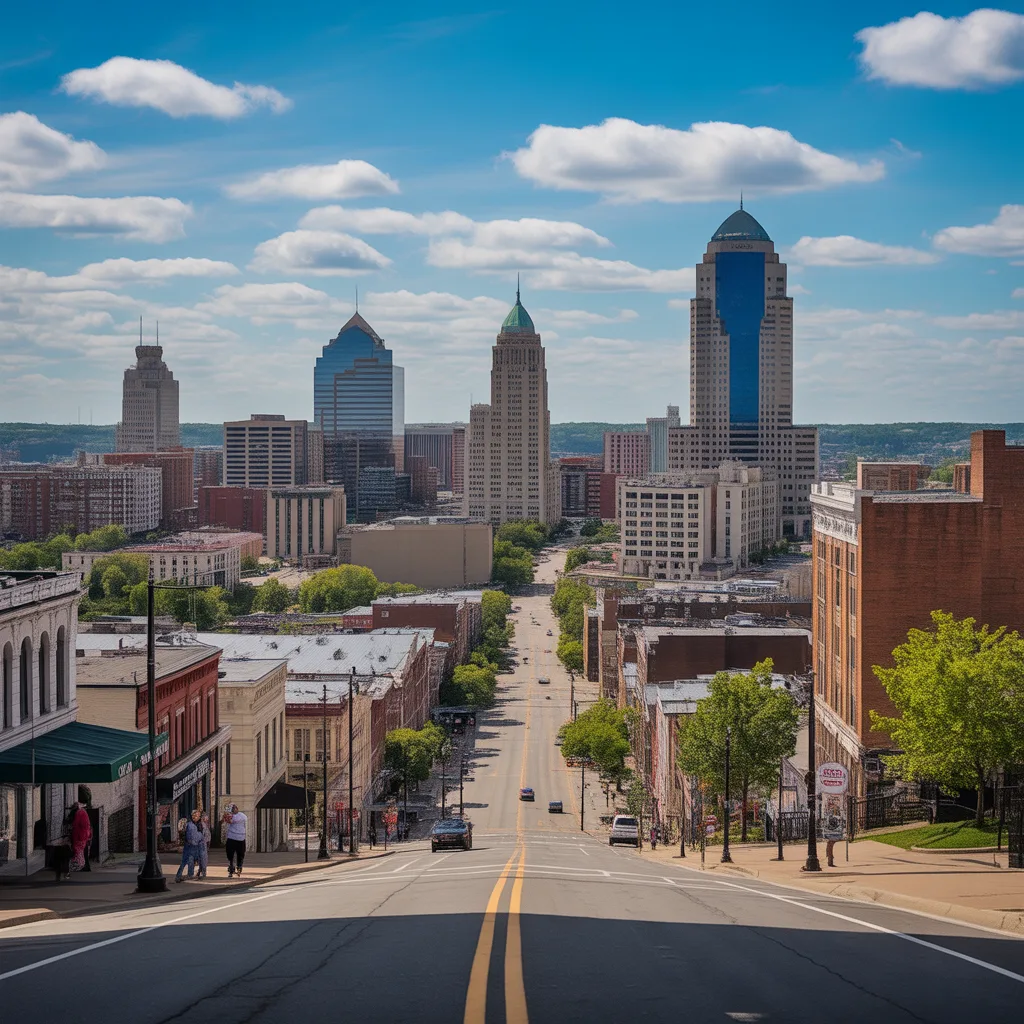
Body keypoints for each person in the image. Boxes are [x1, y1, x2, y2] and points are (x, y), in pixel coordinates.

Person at [175, 810, 202, 882]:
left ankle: (183, 875)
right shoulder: (192, 826)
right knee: (188, 861)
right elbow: (193, 837)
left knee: (189, 861)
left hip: (189, 845)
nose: (199, 817)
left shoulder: (191, 824)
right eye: (198, 816)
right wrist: (200, 836)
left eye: (199, 816)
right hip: (191, 845)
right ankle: (183, 875)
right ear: (193, 816)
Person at [223, 803, 248, 877]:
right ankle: (231, 868)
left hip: (240, 838)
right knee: (230, 854)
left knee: (240, 854)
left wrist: (228, 817)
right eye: (232, 809)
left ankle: (239, 867)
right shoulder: (230, 815)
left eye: (234, 808)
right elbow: (226, 820)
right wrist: (226, 816)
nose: (233, 810)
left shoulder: (241, 816)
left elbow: (232, 821)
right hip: (231, 837)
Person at [70, 802, 93, 873]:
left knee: (79, 851)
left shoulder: (78, 813)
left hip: (81, 835)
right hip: (86, 834)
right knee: (84, 850)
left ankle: (81, 865)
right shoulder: (83, 812)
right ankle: (86, 866)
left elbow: (75, 824)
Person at [197, 812, 212, 878]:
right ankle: (203, 871)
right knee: (203, 858)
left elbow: (208, 836)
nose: (207, 819)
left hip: (204, 843)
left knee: (202, 858)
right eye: (206, 818)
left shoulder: (205, 825)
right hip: (202, 843)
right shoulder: (202, 825)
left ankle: (201, 871)